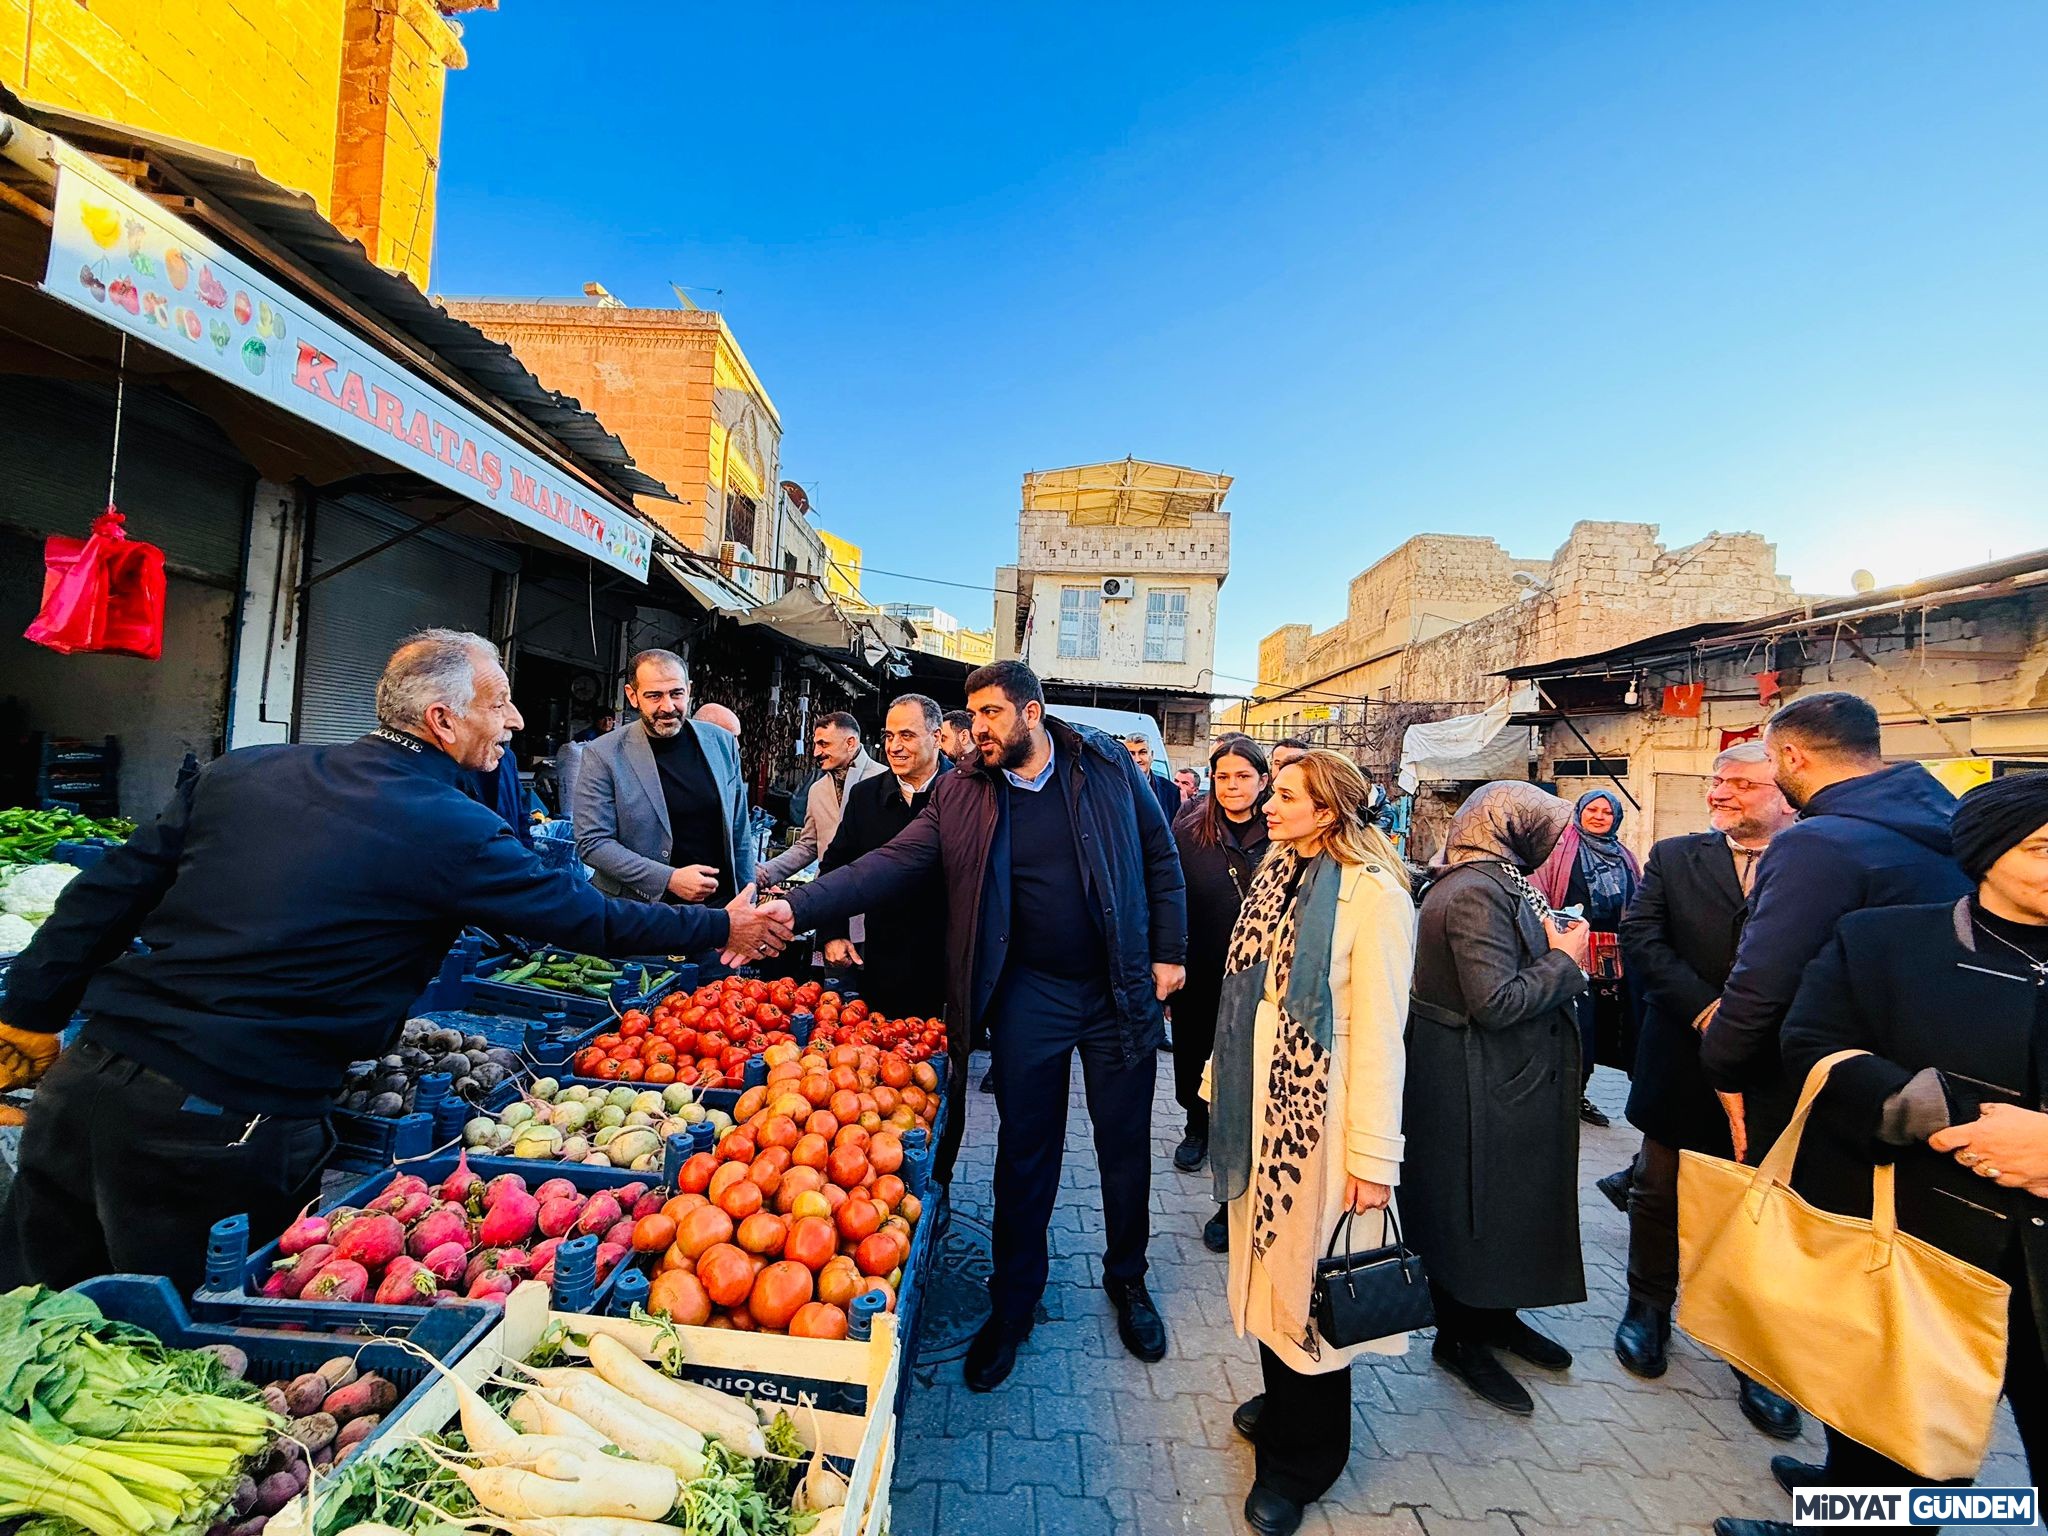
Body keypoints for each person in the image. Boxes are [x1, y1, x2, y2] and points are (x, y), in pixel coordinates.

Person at [0, 630, 789, 1293]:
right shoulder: (449, 828)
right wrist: (720, 925)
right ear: (443, 720)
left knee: (29, 1331)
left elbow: (107, 893)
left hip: (82, 1085)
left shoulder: (245, 770)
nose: (515, 718)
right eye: (498, 702)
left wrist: (28, 1012)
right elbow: (587, 920)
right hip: (219, 1128)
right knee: (170, 1361)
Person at [762, 660, 1187, 1391]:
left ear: (1031, 712)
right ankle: (1013, 1303)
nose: (977, 729)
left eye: (990, 713)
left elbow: (1160, 856)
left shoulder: (1107, 763)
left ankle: (1128, 1279)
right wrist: (800, 909)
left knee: (1123, 1145)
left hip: (1116, 988)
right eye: (971, 714)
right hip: (1029, 994)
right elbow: (887, 862)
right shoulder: (963, 792)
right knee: (1025, 1154)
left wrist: (1171, 953)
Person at [1710, 773, 2048, 1536]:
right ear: (1990, 852)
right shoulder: (1884, 941)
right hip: (1917, 1245)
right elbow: (1813, 1044)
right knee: (1882, 1438)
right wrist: (1945, 1117)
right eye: (2042, 848)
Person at [1208, 750, 1415, 1536]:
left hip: (1323, 1121)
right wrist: (1218, 1084)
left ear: (1327, 812)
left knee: (1311, 1285)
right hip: (1261, 1107)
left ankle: (1307, 1459)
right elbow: (1244, 993)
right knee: (1265, 1268)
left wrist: (1374, 1159)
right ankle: (1283, 1400)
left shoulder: (1376, 897)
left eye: (1286, 796)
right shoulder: (1277, 870)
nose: (1269, 804)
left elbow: (1384, 1040)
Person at [1609, 744, 1801, 1440]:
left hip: (1777, 1068)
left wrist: (1755, 1024)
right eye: (1718, 782)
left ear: (1785, 792)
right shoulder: (1675, 855)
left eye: (1741, 784)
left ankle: (1756, 1351)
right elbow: (1642, 935)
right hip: (1682, 1056)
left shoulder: (1817, 860)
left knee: (1763, 1211)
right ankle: (1648, 1309)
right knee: (1659, 1192)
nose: (1721, 794)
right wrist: (1707, 1010)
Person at [1702, 691, 1971, 1163]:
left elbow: (1767, 977)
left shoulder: (1817, 844)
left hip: (1822, 1082)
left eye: (1768, 759)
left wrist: (1723, 1065)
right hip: (1924, 1079)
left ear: (1791, 756)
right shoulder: (1951, 823)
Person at [1403, 781, 1591, 1415]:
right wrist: (1567, 960)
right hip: (1474, 1080)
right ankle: (1461, 1338)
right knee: (1472, 1207)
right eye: (1547, 827)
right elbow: (1497, 1001)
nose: (1554, 840)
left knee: (1504, 1202)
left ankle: (1496, 1317)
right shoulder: (1474, 892)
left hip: (1501, 1078)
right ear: (1509, 827)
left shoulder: (1493, 878)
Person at [1169, 737, 1270, 1229]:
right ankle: (1195, 1126)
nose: (1233, 786)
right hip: (1202, 965)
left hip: (1262, 977)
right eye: (1224, 776)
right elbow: (1168, 895)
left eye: (1243, 776)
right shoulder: (1189, 829)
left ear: (1263, 780)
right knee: (1193, 1051)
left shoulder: (1281, 830)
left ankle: (1236, 1158)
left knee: (1244, 1065)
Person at [573, 650, 756, 910]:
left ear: (689, 690)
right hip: (642, 913)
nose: (668, 707)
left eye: (676, 693)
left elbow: (739, 831)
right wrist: (668, 878)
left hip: (720, 910)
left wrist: (748, 899)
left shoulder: (722, 743)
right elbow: (593, 843)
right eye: (654, 696)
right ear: (632, 695)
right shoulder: (603, 754)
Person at [815, 694, 951, 1018]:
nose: (894, 746)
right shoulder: (866, 797)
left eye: (907, 735)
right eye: (889, 736)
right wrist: (833, 933)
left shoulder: (969, 793)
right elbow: (835, 866)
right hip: (885, 962)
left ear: (937, 737)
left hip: (952, 965)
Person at [1532, 788, 1642, 1128]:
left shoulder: (1623, 855)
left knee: (1602, 1030)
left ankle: (1578, 1093)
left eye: (1606, 812)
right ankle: (1555, 1094)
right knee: (1574, 1025)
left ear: (1616, 818)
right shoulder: (1561, 849)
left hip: (1612, 958)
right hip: (1567, 950)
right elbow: (1539, 895)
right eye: (1591, 809)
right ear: (1579, 812)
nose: (1597, 816)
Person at [757, 713, 884, 885]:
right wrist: (766, 872)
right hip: (827, 896)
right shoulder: (817, 790)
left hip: (873, 897)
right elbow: (808, 845)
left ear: (850, 743)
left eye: (824, 744)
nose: (816, 752)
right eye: (816, 744)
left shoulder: (885, 781)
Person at [1126, 733, 1183, 822]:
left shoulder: (1171, 791)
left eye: (1143, 752)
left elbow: (1174, 829)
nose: (1137, 759)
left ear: (1152, 756)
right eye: (1132, 754)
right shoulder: (1114, 789)